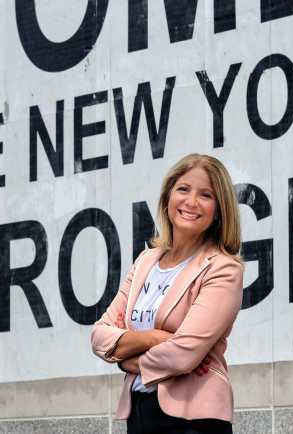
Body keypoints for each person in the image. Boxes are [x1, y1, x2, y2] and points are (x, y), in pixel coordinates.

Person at [90, 153, 244, 434]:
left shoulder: (222, 269)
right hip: (138, 414)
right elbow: (100, 334)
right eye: (183, 189)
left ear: (219, 209)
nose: (191, 202)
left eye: (206, 195)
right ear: (167, 197)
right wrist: (152, 338)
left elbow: (183, 354)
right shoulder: (145, 262)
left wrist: (128, 360)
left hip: (192, 421)